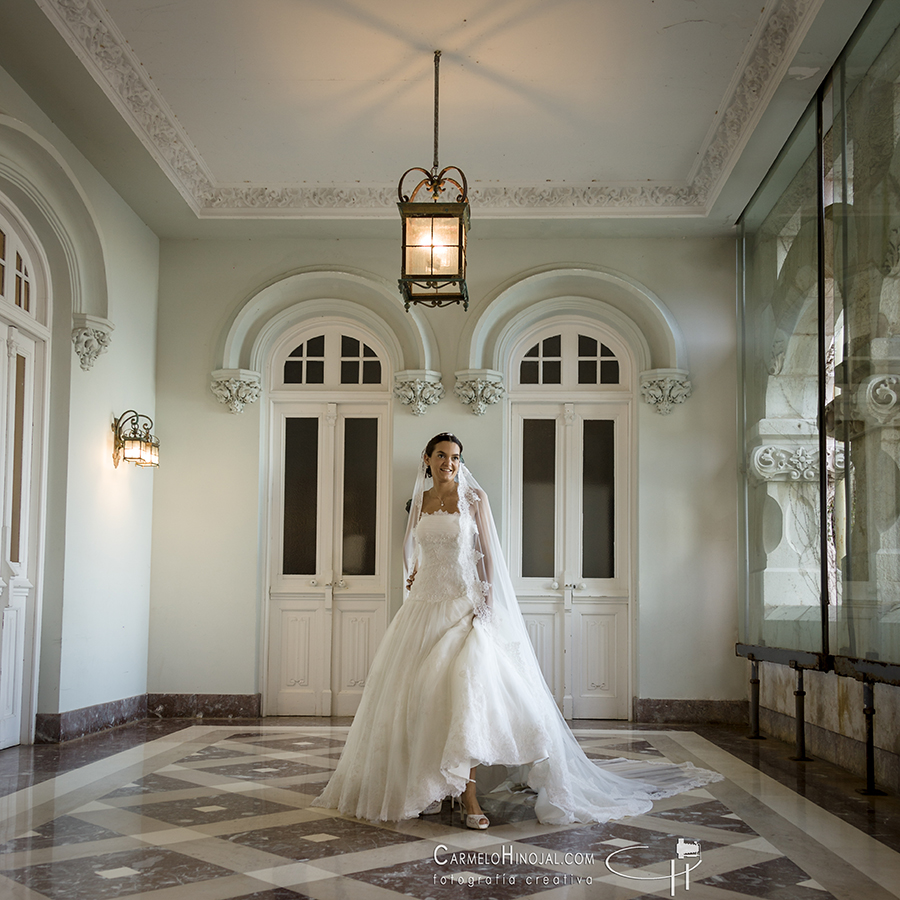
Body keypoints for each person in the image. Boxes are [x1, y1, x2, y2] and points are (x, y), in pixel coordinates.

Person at [314, 433, 720, 828]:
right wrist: (415, 569)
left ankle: (468, 793)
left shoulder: (475, 499)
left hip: (462, 606)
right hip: (422, 607)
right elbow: (412, 545)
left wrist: (486, 605)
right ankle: (433, 786)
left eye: (455, 457)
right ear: (427, 459)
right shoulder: (419, 501)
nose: (448, 463)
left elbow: (488, 554)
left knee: (462, 694)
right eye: (441, 455)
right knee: (418, 696)